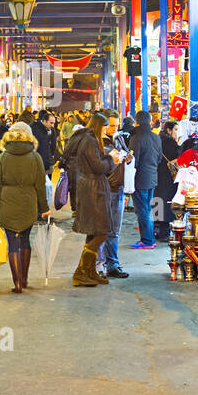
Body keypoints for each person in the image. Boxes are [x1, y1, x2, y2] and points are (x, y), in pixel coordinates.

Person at [0, 121, 50, 293]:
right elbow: (40, 185)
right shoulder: (35, 157)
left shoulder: (2, 158)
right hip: (28, 203)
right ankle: (24, 278)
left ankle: (17, 284)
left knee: (12, 243)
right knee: (25, 240)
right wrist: (44, 207)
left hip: (7, 203)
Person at [61, 113, 122, 286]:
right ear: (98, 126)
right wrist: (112, 160)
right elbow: (98, 166)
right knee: (102, 231)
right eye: (105, 127)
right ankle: (80, 272)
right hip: (93, 190)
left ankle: (89, 271)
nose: (106, 131)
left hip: (94, 187)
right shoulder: (90, 141)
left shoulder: (89, 140)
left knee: (95, 231)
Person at [99, 115, 132, 279]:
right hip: (103, 189)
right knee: (101, 230)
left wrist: (127, 158)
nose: (114, 129)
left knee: (114, 230)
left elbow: (124, 155)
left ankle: (113, 264)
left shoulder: (118, 138)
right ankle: (100, 266)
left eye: (116, 126)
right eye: (111, 126)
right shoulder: (97, 141)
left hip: (118, 188)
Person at [129, 110, 161, 249]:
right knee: (147, 209)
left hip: (140, 178)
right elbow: (159, 158)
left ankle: (147, 241)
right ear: (150, 121)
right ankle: (150, 238)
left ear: (137, 122)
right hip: (152, 176)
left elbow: (133, 162)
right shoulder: (156, 137)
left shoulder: (136, 138)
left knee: (142, 210)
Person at [154, 118, 181, 241]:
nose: (177, 132)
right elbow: (178, 157)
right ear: (169, 130)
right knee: (167, 203)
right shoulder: (171, 143)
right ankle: (164, 233)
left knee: (158, 202)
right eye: (175, 129)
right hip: (168, 177)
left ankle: (157, 230)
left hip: (157, 176)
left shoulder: (158, 139)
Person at [31, 111, 59, 185]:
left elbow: (53, 144)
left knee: (47, 186)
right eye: (51, 123)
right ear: (44, 121)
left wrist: (52, 157)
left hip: (47, 162)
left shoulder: (50, 129)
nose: (53, 126)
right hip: (37, 163)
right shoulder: (33, 128)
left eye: (54, 123)